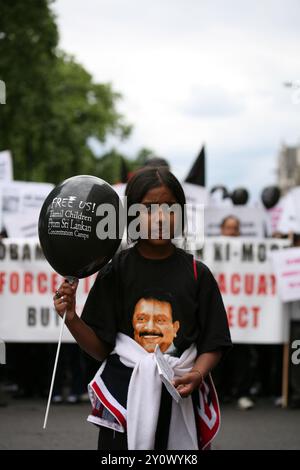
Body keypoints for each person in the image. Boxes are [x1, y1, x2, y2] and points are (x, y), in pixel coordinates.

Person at [53, 167, 232, 450]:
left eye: (170, 208)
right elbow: (101, 349)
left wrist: (197, 373)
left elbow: (214, 340)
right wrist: (72, 318)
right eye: (149, 209)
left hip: (181, 399)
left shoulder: (199, 274)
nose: (160, 217)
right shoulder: (115, 271)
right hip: (123, 404)